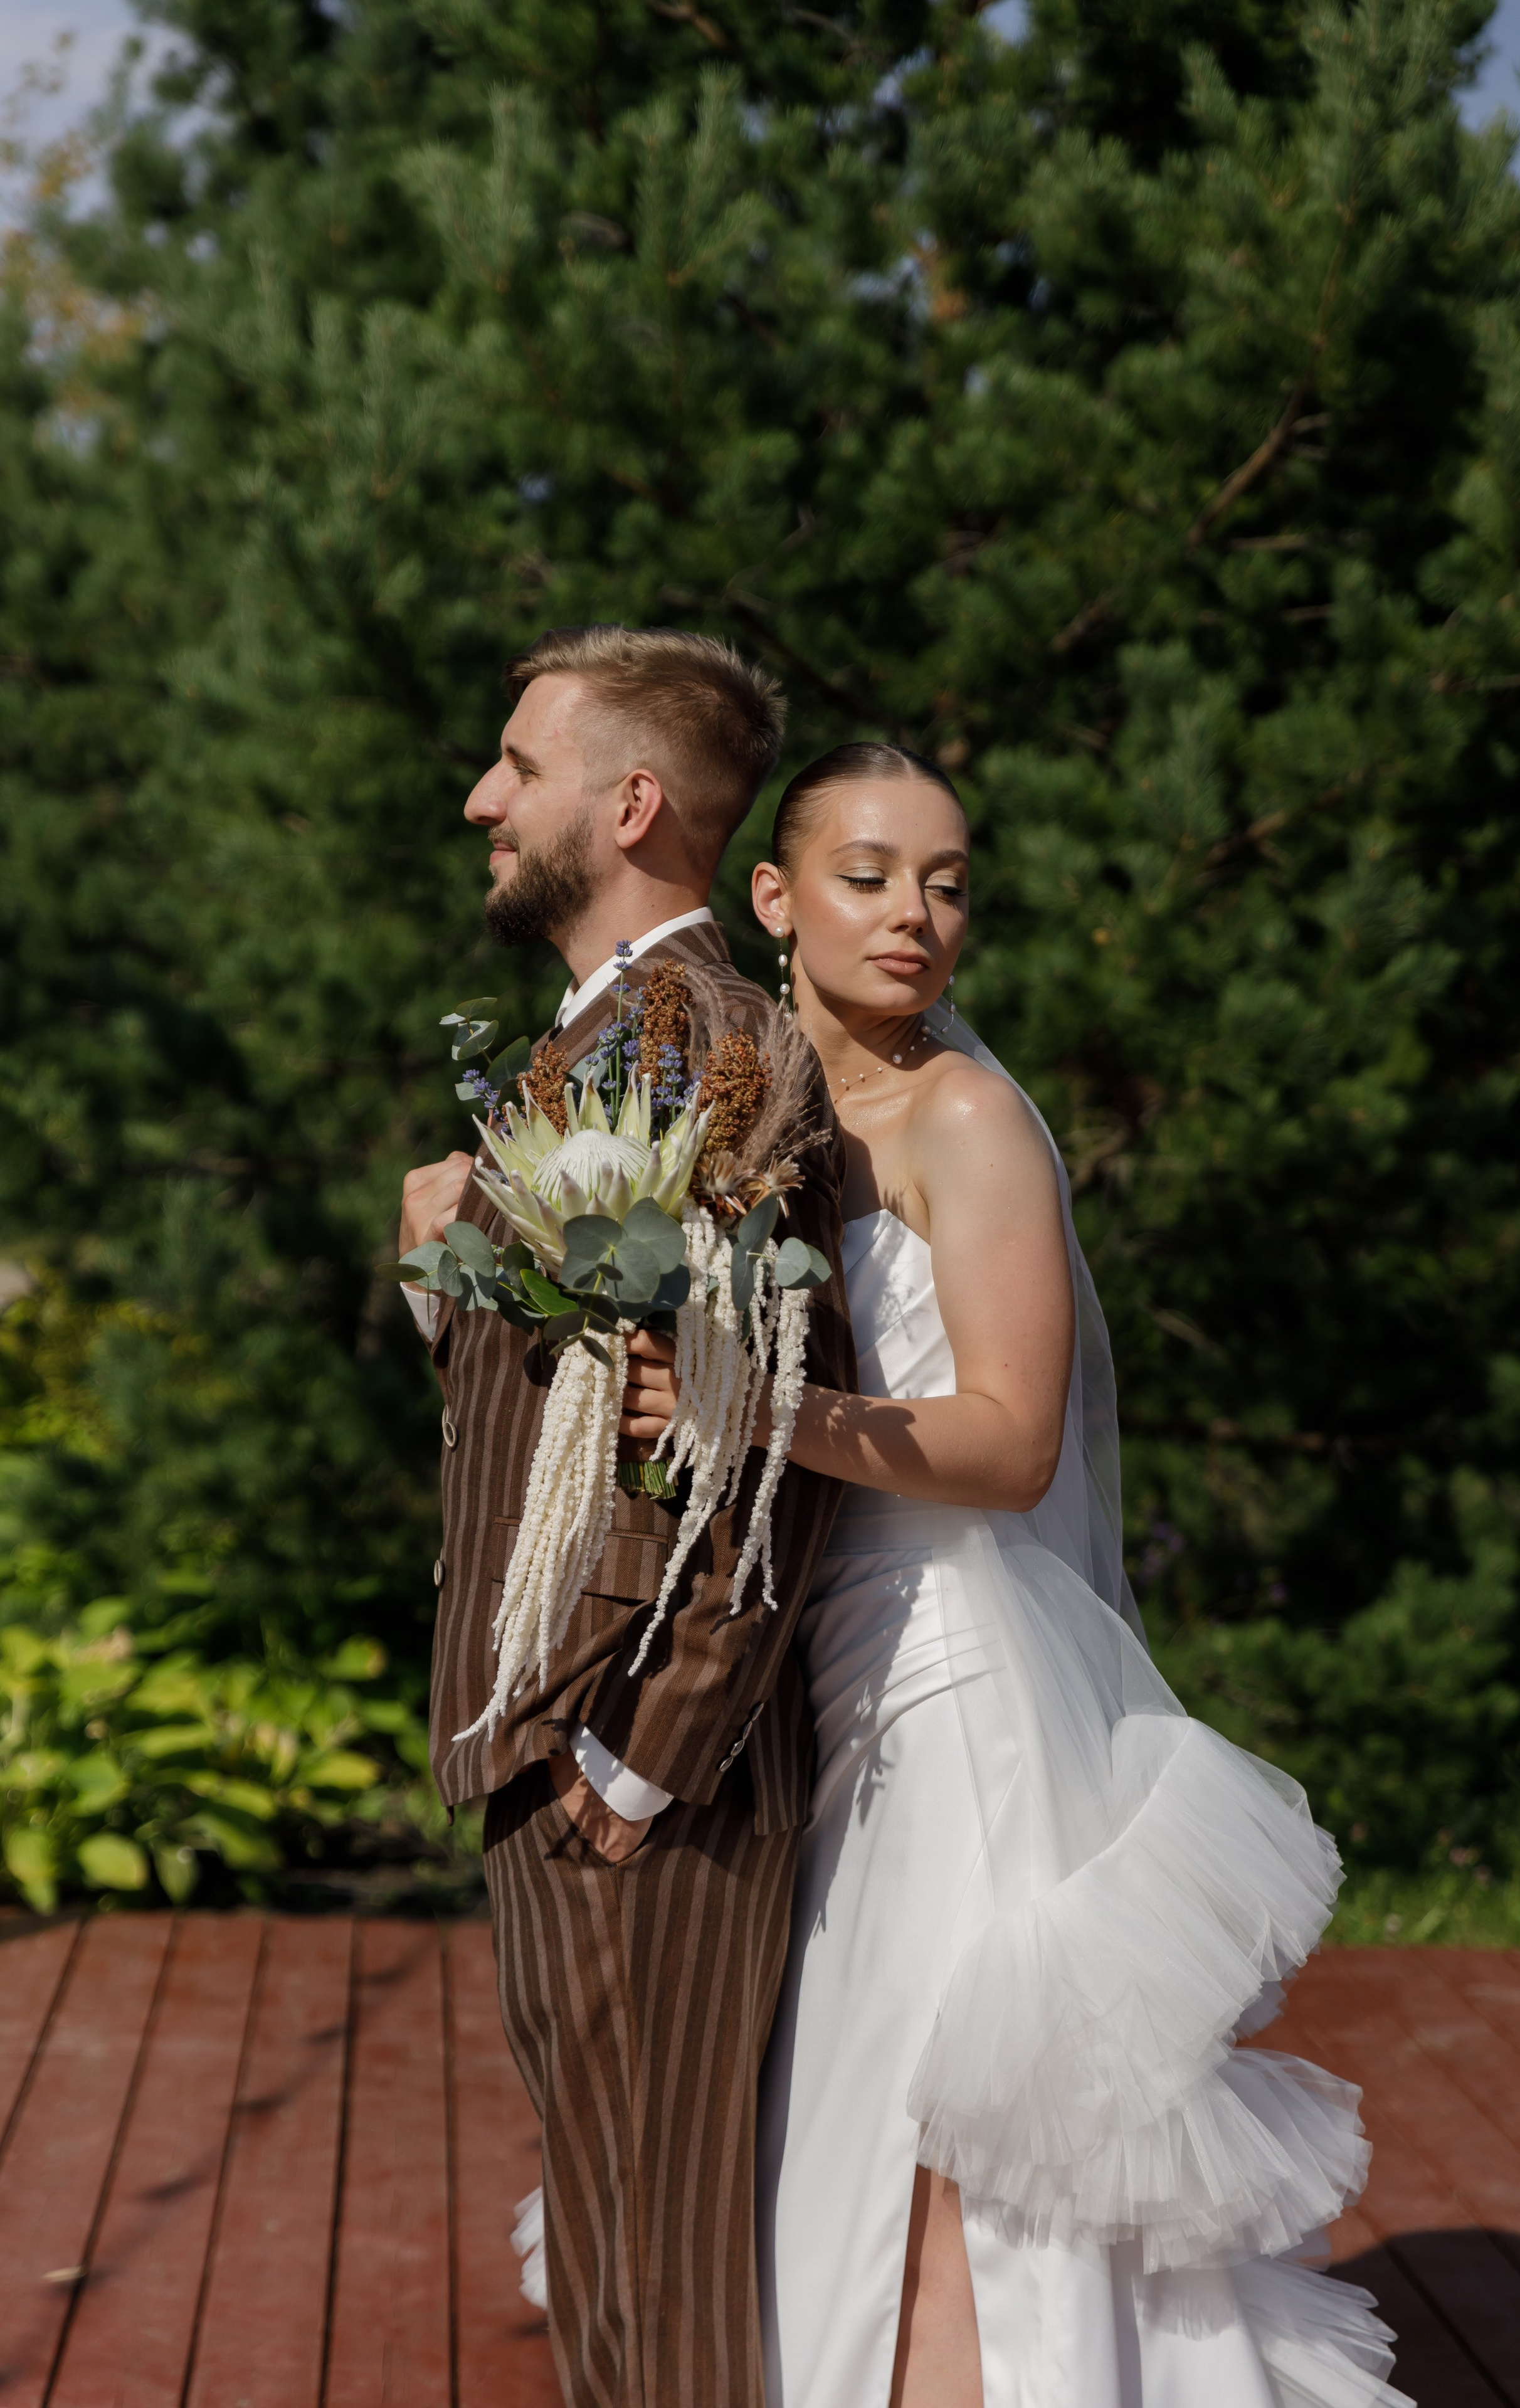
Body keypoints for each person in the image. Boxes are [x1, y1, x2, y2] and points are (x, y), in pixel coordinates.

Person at [625, 739, 1410, 2408]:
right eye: (871, 873)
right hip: (812, 1676)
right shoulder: (745, 1122)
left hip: (949, 1679)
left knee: (940, 2143)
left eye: (949, 879)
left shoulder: (965, 1116)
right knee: (838, 2102)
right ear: (773, 899)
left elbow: (1010, 1445)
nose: (917, 912)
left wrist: (757, 1405)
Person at [397, 627, 855, 2408]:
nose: (482, 798)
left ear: (632, 801)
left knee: (655, 2270)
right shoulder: (604, 1039)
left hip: (641, 1762)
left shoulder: (706, 1045)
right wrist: (446, 1272)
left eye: (519, 763)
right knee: (604, 2238)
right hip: (559, 1730)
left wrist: (640, 1758)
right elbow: (597, 1390)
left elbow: (749, 1449)